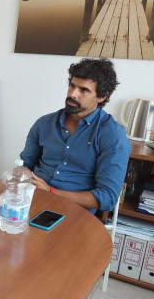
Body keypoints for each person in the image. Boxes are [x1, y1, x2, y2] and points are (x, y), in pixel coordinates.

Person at [20, 58, 131, 213]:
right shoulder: (44, 123)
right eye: (72, 86)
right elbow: (24, 165)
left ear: (102, 97)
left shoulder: (113, 135)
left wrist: (52, 192)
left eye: (84, 90)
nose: (73, 94)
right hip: (32, 201)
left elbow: (107, 198)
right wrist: (21, 177)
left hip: (76, 213)